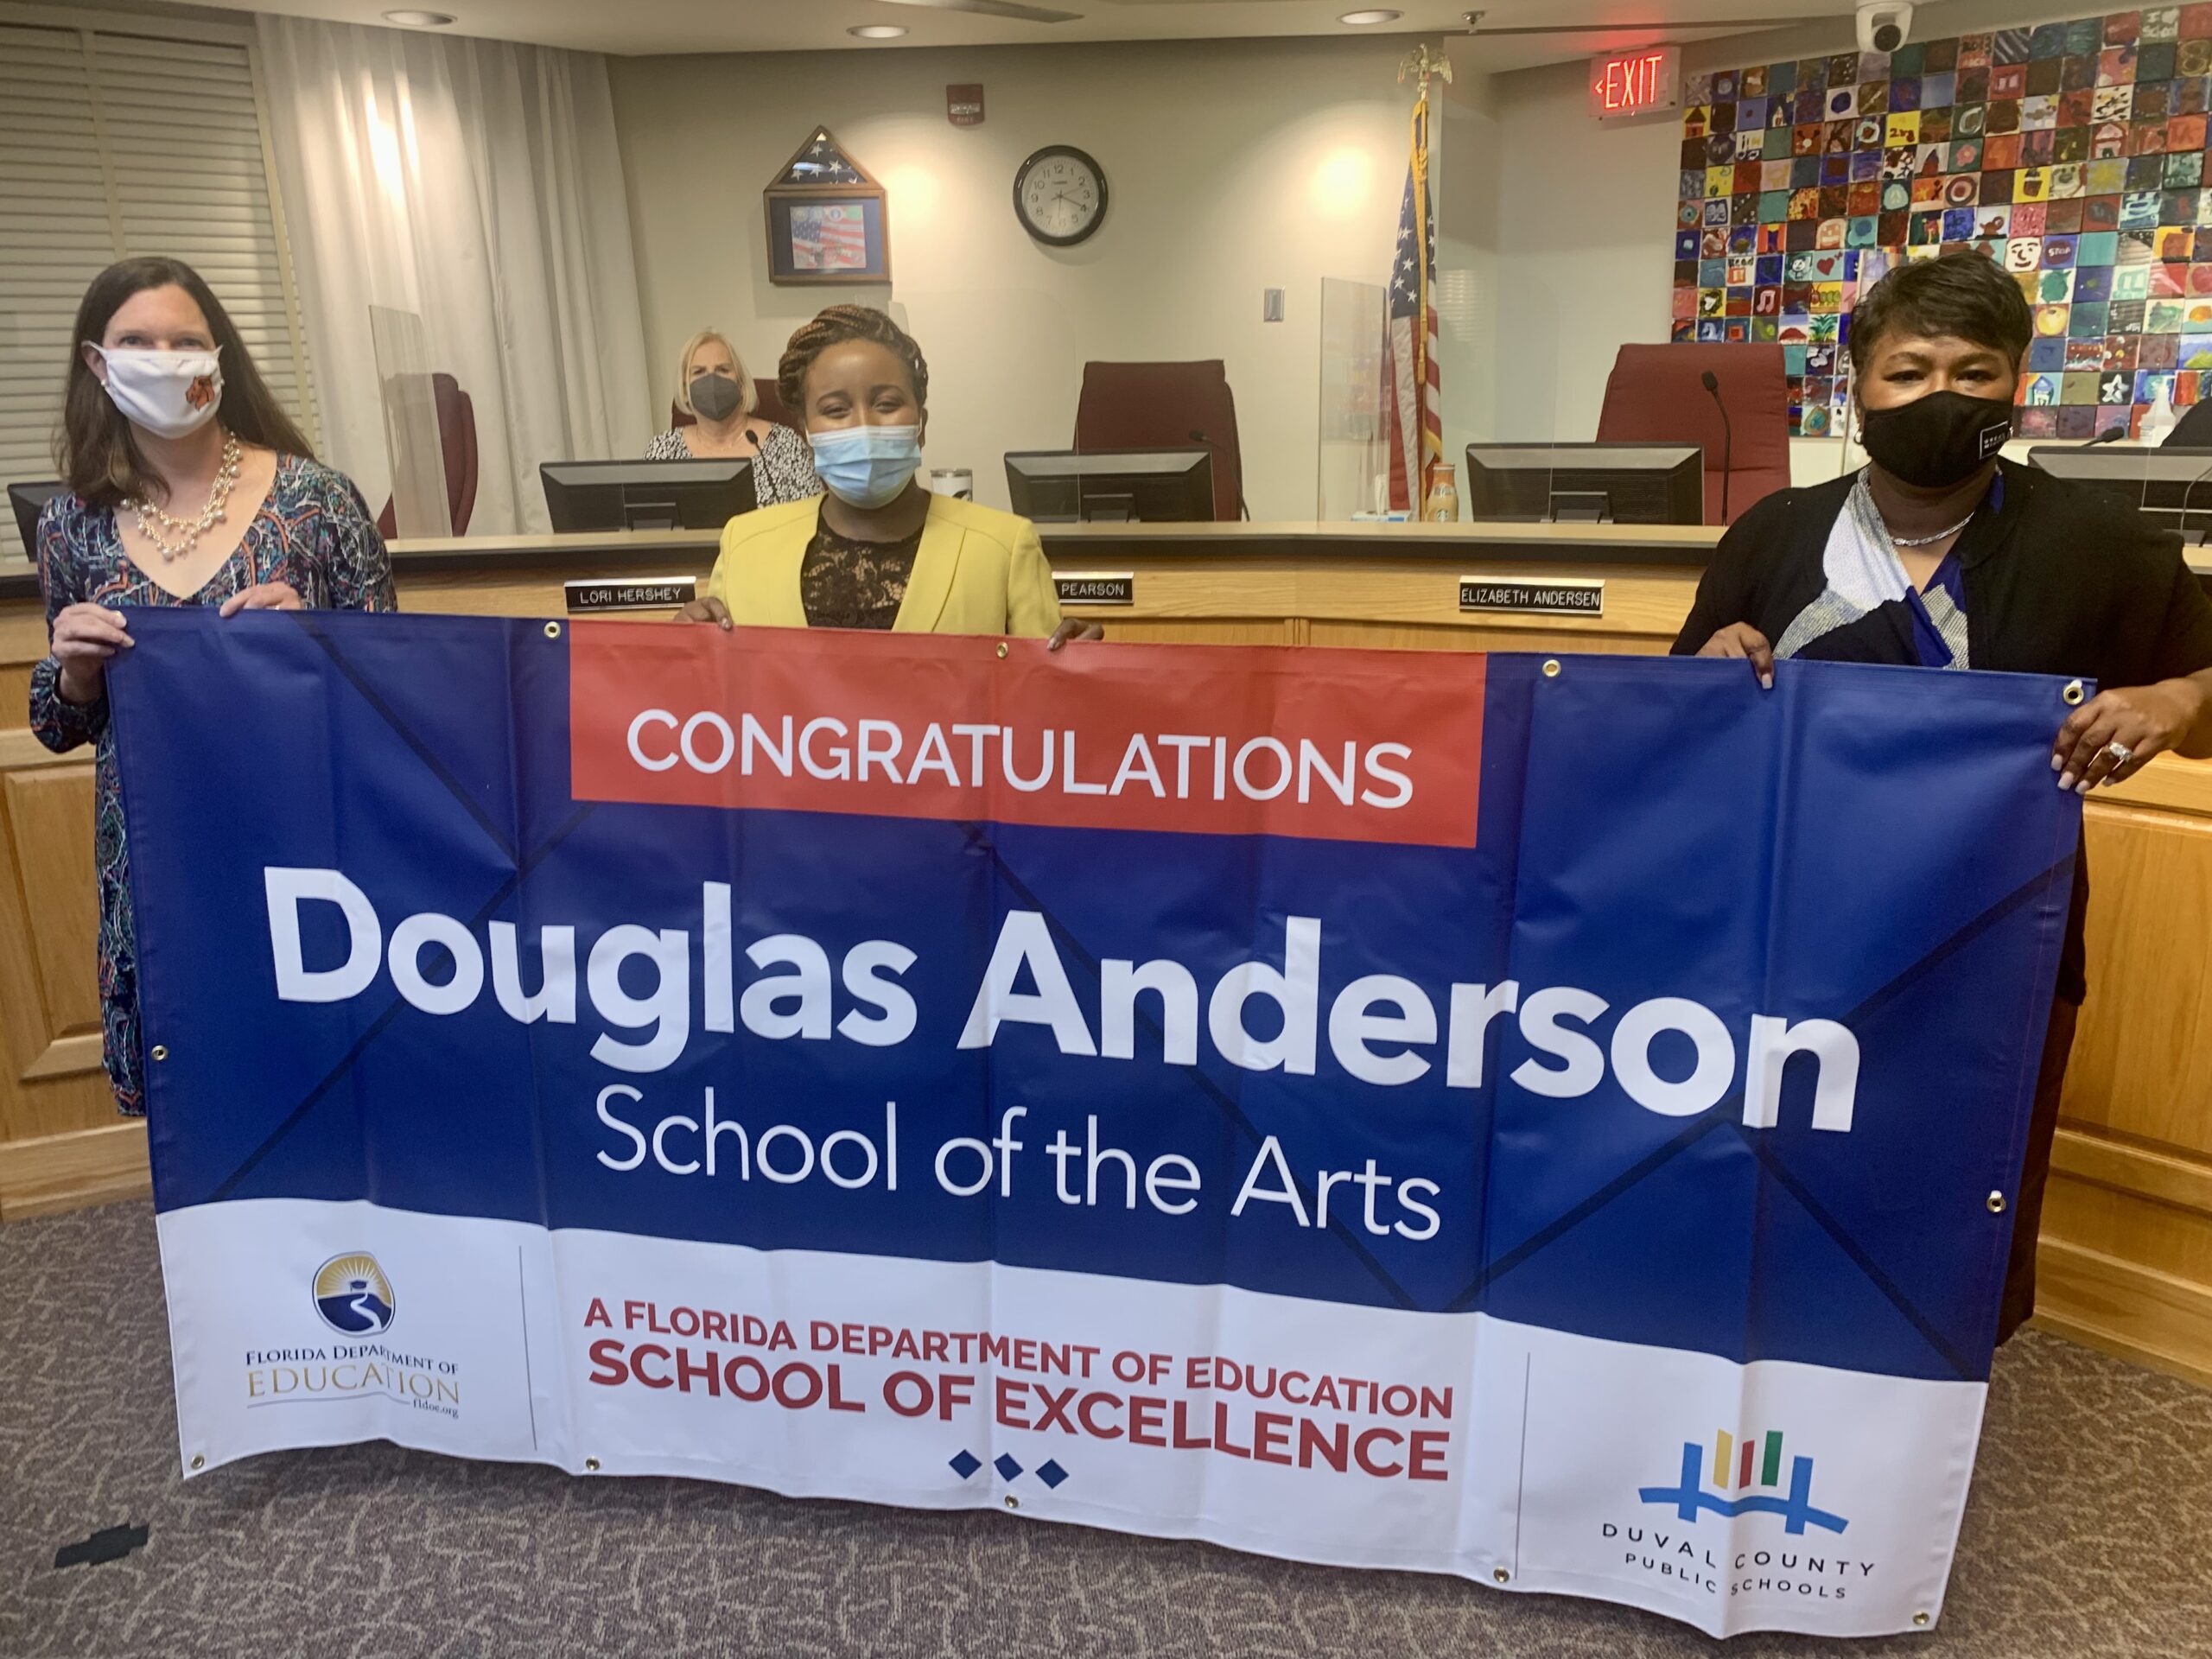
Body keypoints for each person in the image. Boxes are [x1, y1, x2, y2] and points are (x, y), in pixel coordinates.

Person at [1673, 249, 2212, 1342]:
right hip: (1783, 935)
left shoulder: (2097, 545)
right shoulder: (1773, 537)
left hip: (1995, 941)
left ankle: (1932, 1407)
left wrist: (2171, 701)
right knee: (1771, 1181)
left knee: (1963, 1192)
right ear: (1858, 385)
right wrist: (1710, 666)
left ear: (2016, 384)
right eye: (1909, 371)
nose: (1940, 397)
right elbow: (1679, 728)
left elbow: (2206, 684)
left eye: (1975, 374)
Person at [30, 256, 397, 1117]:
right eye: (136, 342)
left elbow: (396, 691)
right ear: (97, 363)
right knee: (201, 1117)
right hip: (164, 872)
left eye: (184, 341)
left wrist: (316, 643)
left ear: (218, 356)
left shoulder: (318, 502)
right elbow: (54, 723)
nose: (164, 359)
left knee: (333, 1097)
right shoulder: (70, 525)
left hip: (313, 853)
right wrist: (74, 672)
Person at [679, 305, 1099, 646]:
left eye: (886, 403)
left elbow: (1041, 719)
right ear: (807, 434)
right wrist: (674, 652)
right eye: (835, 409)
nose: (864, 425)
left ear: (922, 422)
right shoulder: (745, 545)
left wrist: (1083, 676)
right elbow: (713, 712)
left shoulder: (1004, 548)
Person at [645, 328, 820, 507]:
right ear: (684, 388)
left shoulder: (785, 445)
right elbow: (649, 523)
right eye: (698, 372)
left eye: (723, 370)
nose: (712, 380)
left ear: (741, 382)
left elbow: (813, 519)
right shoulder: (664, 450)